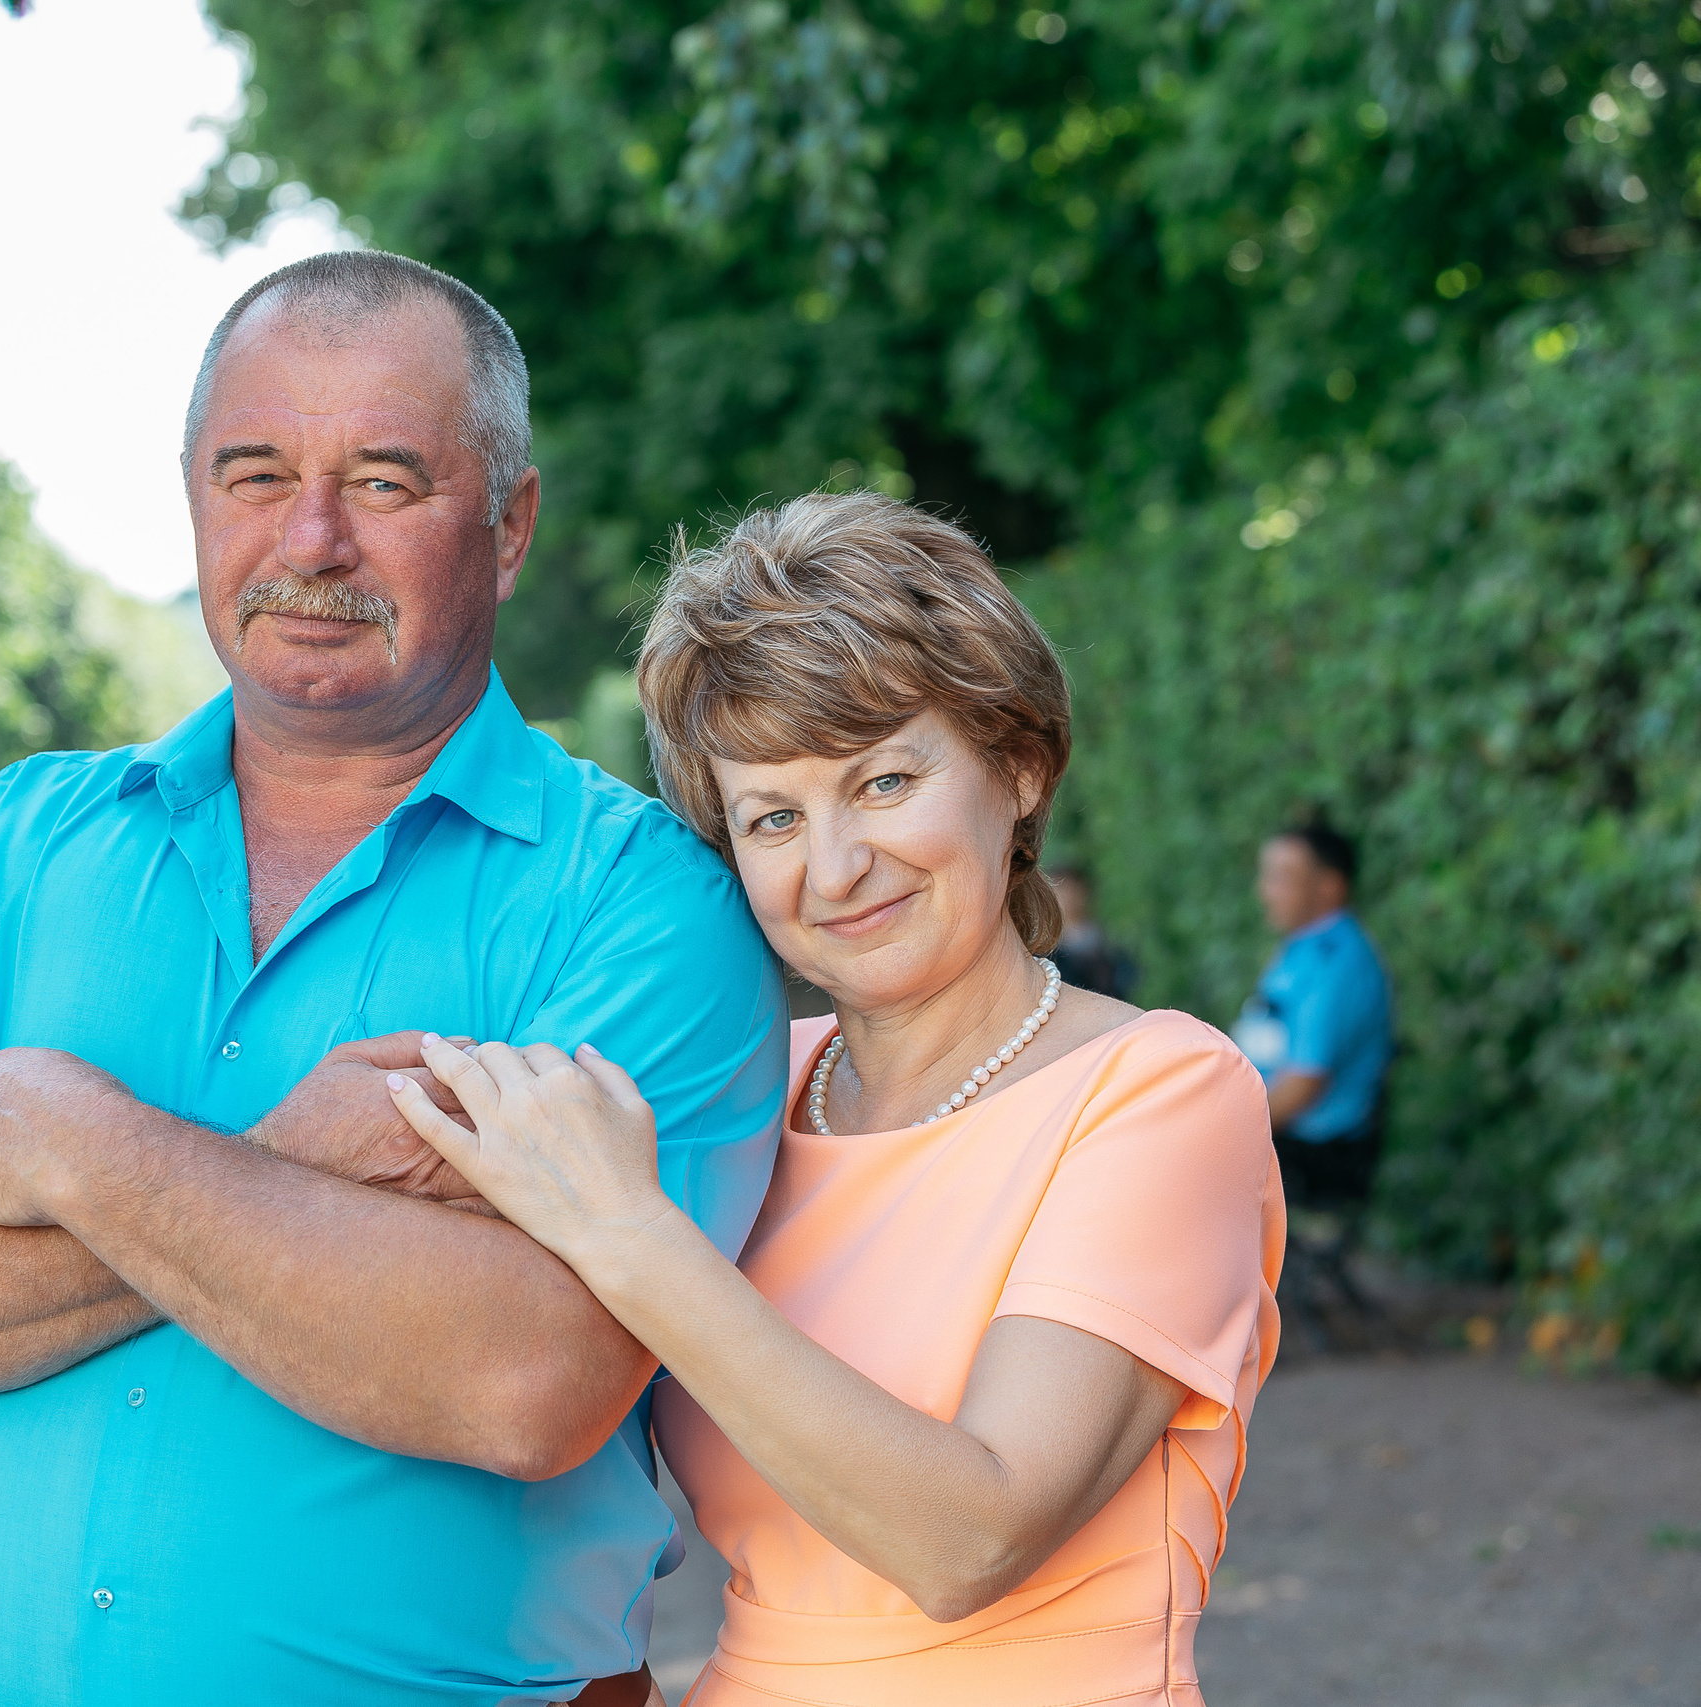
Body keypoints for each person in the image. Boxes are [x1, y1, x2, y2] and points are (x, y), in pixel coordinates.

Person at [0, 251, 787, 1706]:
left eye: (384, 480)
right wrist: (292, 1161)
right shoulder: (8, 847)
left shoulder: (639, 906)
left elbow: (529, 1374)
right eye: (256, 473)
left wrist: (81, 1143)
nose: (311, 539)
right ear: (192, 496)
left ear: (509, 523)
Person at [385, 491, 1283, 1707]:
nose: (835, 866)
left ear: (1017, 767)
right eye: (772, 816)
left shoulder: (1160, 1094)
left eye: (882, 782)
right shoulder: (753, 1092)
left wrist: (630, 1234)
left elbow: (969, 1540)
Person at [1235, 822, 1393, 1207]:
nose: (1265, 892)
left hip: (1315, 1149)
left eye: (1282, 878)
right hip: (1284, 1135)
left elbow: (1305, 1082)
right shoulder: (1305, 947)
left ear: (1329, 886)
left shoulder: (1336, 963)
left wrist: (1228, 1132)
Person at [1047, 862, 1136, 999]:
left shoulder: (1109, 941)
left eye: (1073, 890)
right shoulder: (1045, 948)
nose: (1068, 897)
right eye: (1061, 890)